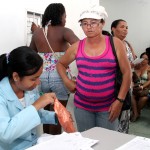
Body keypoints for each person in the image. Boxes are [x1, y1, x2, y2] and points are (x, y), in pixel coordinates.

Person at [56, 6, 131, 132]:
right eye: (84, 23)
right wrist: (66, 80)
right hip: (82, 107)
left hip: (108, 107)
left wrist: (119, 101)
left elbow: (127, 72)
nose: (89, 27)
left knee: (107, 143)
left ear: (102, 23)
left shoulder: (115, 43)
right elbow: (60, 64)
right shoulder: (77, 47)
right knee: (87, 141)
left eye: (93, 23)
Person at [30, 3, 79, 135]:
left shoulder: (38, 33)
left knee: (45, 113)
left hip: (41, 77)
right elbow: (81, 46)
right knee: (59, 113)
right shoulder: (65, 31)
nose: (65, 19)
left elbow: (31, 53)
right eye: (65, 16)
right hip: (59, 76)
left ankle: (46, 141)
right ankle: (56, 143)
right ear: (60, 16)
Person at [0, 46, 58, 150]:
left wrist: (56, 116)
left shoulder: (28, 88)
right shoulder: (1, 94)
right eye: (33, 79)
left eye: (39, 77)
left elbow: (34, 114)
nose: (38, 82)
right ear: (16, 77)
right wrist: (37, 105)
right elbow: (5, 134)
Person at [111, 19, 137, 133]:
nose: (125, 30)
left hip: (127, 80)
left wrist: (137, 64)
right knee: (115, 110)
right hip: (115, 82)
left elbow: (133, 60)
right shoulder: (110, 43)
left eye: (127, 27)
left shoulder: (127, 44)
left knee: (125, 110)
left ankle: (123, 135)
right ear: (113, 29)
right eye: (122, 27)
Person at [132, 52, 150, 121]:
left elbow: (149, 81)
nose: (144, 60)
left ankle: (137, 112)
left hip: (145, 88)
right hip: (136, 87)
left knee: (144, 98)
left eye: (146, 59)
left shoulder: (149, 68)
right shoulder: (136, 66)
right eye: (142, 58)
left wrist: (142, 87)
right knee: (131, 95)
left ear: (148, 60)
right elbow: (131, 78)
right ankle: (136, 113)